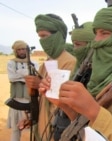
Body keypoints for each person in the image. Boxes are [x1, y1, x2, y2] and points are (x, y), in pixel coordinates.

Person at [39, 4, 112, 141]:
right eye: (96, 33)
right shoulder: (98, 80)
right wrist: (65, 105)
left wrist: (95, 112)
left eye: (104, 33)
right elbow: (85, 129)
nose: (96, 41)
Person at [22, 13, 76, 141]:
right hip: (42, 126)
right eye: (39, 37)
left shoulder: (69, 62)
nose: (42, 41)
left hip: (56, 128)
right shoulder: (47, 63)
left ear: (58, 35)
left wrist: (40, 83)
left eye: (44, 36)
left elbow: (65, 103)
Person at [6, 40, 39, 141]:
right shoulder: (11, 63)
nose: (21, 51)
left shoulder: (34, 63)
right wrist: (26, 76)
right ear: (16, 51)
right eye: (19, 49)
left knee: (36, 128)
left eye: (23, 49)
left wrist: (19, 74)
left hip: (31, 100)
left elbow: (35, 78)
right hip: (16, 100)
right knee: (16, 130)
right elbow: (11, 77)